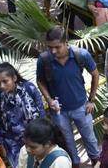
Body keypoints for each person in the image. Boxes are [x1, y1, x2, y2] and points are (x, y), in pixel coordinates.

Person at [35, 28, 100, 167]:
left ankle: (96, 161)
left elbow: (95, 74)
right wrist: (49, 100)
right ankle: (74, 163)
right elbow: (39, 80)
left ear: (66, 43)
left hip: (81, 106)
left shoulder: (81, 55)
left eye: (57, 47)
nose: (53, 51)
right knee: (67, 141)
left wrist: (92, 100)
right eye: (50, 47)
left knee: (90, 138)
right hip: (59, 111)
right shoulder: (44, 60)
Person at [0, 63, 45, 167]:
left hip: (36, 136)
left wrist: (44, 134)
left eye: (5, 81)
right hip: (13, 143)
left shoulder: (29, 88)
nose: (1, 86)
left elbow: (41, 110)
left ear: (14, 78)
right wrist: (1, 145)